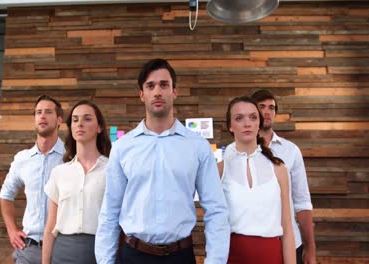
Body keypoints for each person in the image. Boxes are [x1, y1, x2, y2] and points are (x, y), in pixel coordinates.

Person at [95, 58, 230, 264]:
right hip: (133, 255)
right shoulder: (123, 147)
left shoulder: (196, 146)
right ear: (142, 94)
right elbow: (110, 211)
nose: (157, 91)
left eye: (164, 85)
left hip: (179, 256)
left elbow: (216, 209)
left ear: (174, 91)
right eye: (150, 86)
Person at [226, 89, 316, 264]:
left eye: (271, 108)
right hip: (239, 249)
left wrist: (310, 248)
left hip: (287, 241)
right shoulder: (229, 155)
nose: (267, 112)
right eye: (262, 107)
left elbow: (302, 201)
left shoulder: (289, 152)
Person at [219, 96, 295, 264]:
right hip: (232, 257)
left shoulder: (279, 169)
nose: (247, 123)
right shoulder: (219, 170)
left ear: (259, 123)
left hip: (272, 256)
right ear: (230, 126)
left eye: (253, 117)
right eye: (239, 118)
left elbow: (287, 228)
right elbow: (213, 226)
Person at [42, 100, 111, 264]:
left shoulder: (112, 170)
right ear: (71, 128)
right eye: (75, 120)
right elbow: (50, 227)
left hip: (100, 252)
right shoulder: (59, 172)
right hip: (62, 253)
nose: (80, 123)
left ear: (99, 127)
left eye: (87, 119)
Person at [0, 95, 65, 264]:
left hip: (62, 248)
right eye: (38, 112)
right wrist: (12, 230)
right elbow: (6, 195)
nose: (42, 116)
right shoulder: (22, 159)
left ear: (59, 120)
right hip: (28, 250)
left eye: (48, 112)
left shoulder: (70, 156)